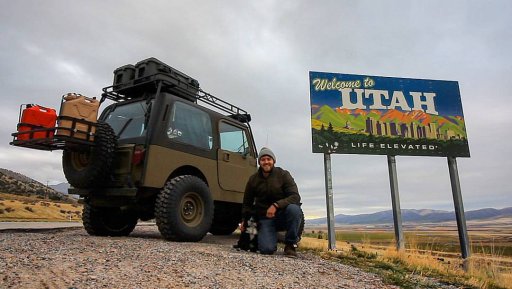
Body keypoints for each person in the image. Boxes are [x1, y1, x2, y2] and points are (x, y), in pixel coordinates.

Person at [241, 147, 303, 256]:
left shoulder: (284, 175)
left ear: (274, 160)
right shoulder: (253, 179)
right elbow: (247, 203)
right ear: (259, 162)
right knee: (266, 250)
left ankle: (290, 245)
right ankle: (269, 237)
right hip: (265, 218)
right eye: (263, 159)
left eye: (268, 159)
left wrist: (276, 205)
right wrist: (244, 221)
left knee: (294, 209)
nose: (266, 162)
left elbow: (295, 197)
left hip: (283, 215)